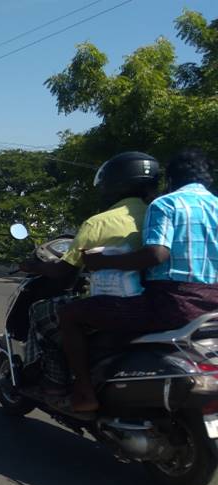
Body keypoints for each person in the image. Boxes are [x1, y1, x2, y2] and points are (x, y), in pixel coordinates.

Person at [60, 148, 218, 412]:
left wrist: (102, 262)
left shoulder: (166, 204)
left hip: (171, 306)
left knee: (70, 314)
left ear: (170, 180)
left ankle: (85, 391)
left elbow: (156, 254)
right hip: (213, 309)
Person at [18, 151, 160, 397]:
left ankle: (59, 381)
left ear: (115, 184)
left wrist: (34, 267)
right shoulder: (163, 214)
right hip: (159, 301)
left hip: (117, 304)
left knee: (41, 311)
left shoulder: (99, 223)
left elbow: (64, 271)